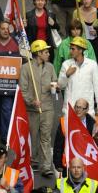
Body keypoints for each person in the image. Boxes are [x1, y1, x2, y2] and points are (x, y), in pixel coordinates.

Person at [21, 40, 57, 179]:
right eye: (46, 52)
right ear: (38, 53)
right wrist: (31, 101)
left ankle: (46, 166)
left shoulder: (50, 67)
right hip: (32, 110)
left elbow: (55, 82)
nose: (48, 54)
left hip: (47, 108)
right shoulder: (26, 68)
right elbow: (23, 90)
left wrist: (56, 87)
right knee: (33, 136)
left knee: (46, 137)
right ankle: (33, 160)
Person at [57, 36, 98, 122]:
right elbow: (60, 85)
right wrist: (66, 75)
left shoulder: (92, 64)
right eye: (70, 48)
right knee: (71, 131)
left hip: (87, 108)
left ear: (80, 50)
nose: (70, 51)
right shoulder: (66, 64)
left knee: (87, 130)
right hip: (70, 108)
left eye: (73, 49)